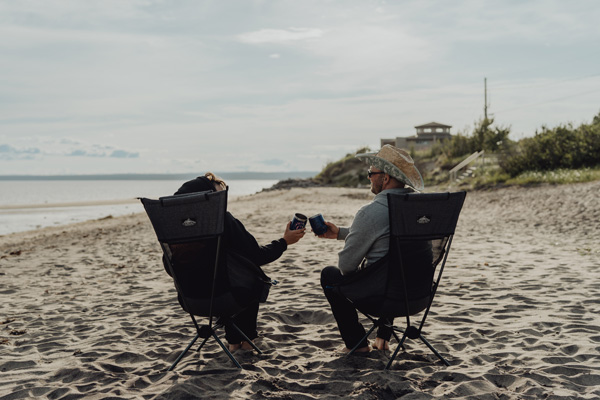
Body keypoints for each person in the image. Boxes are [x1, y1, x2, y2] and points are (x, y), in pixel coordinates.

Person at [165, 172, 305, 352]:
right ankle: (247, 341)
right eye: (217, 196)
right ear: (205, 199)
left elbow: (171, 269)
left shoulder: (172, 228)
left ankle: (233, 342)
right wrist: (285, 241)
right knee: (252, 277)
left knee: (226, 275)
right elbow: (258, 256)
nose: (222, 201)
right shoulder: (222, 219)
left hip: (190, 301)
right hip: (228, 298)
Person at [318, 145, 425, 353]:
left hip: (384, 299)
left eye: (371, 173)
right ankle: (383, 337)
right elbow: (388, 239)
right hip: (418, 295)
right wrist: (341, 232)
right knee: (395, 262)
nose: (369, 178)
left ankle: (356, 344)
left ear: (384, 179)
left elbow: (346, 267)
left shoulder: (371, 212)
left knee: (330, 275)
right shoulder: (418, 210)